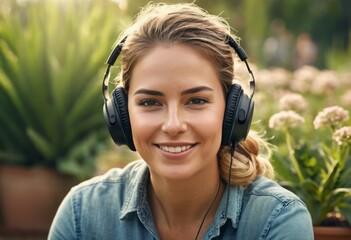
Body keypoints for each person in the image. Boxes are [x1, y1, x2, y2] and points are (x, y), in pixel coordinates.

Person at [48, 3, 314, 239]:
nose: (173, 125)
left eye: (196, 101)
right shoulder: (82, 214)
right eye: (150, 102)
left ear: (233, 110)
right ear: (121, 114)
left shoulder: (276, 220)